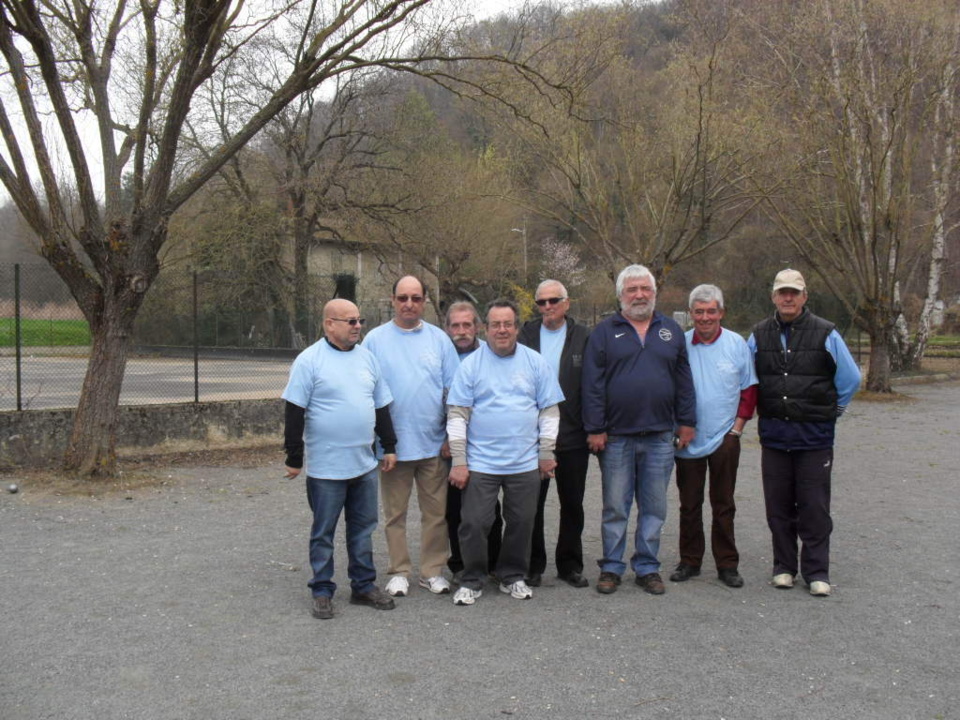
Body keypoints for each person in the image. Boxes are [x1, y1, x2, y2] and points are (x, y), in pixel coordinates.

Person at [582, 263, 697, 596]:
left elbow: (684, 380)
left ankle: (647, 566)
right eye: (632, 289)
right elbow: (592, 384)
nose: (639, 295)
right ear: (621, 295)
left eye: (645, 289)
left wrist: (687, 422)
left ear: (654, 293)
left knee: (654, 506)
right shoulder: (604, 332)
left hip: (661, 436)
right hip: (616, 436)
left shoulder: (671, 331)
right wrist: (595, 427)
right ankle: (612, 567)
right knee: (616, 506)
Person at [282, 299, 398, 619]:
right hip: (326, 468)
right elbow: (294, 410)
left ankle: (363, 585)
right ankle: (322, 588)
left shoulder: (368, 360)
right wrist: (294, 457)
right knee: (324, 531)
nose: (357, 326)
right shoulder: (309, 361)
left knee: (362, 529)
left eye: (359, 320)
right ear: (329, 324)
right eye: (350, 321)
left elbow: (381, 406)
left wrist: (389, 445)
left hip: (363, 464)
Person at [748, 269, 860, 597]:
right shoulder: (758, 334)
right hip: (775, 436)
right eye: (782, 292)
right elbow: (748, 376)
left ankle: (816, 571)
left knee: (814, 506)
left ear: (804, 297)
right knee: (778, 506)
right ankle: (783, 567)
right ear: (773, 296)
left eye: (794, 293)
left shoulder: (826, 332)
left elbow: (850, 378)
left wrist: (832, 411)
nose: (788, 298)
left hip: (814, 438)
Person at [446, 299, 565, 606]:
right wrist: (459, 461)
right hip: (481, 462)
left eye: (508, 324)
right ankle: (472, 578)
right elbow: (458, 414)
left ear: (516, 327)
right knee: (473, 522)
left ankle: (512, 575)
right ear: (485, 328)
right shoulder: (471, 365)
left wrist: (546, 452)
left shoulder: (535, 362)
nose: (502, 330)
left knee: (523, 521)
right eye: (495, 324)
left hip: (524, 462)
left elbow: (549, 411)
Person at [362, 276, 460, 597]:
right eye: (403, 297)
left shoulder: (440, 340)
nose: (409, 304)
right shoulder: (374, 341)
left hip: (433, 445)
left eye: (416, 298)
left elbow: (452, 392)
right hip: (392, 448)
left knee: (436, 514)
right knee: (395, 515)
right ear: (392, 300)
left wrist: (450, 437)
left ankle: (432, 571)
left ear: (424, 302)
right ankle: (400, 570)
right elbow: (366, 390)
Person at [672, 284, 758, 589]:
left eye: (711, 311)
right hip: (688, 437)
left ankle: (727, 564)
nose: (705, 318)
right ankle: (690, 560)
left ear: (721, 312)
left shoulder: (737, 344)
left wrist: (737, 430)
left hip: (725, 437)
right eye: (699, 312)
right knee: (689, 504)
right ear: (691, 314)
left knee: (723, 503)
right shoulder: (680, 345)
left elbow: (749, 390)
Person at [517, 280, 591, 588]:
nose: (548, 307)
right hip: (533, 435)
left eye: (554, 301)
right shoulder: (527, 335)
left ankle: (569, 564)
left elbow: (593, 384)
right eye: (542, 302)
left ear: (567, 303)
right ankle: (533, 565)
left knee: (572, 503)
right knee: (532, 504)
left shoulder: (584, 336)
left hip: (573, 433)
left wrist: (595, 427)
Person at [442, 301, 503, 581]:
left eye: (467, 325)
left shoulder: (492, 353)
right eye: (456, 325)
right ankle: (460, 564)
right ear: (447, 328)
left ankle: (493, 561)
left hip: (485, 445)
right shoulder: (443, 355)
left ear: (477, 327)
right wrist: (447, 439)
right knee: (455, 508)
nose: (462, 331)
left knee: (490, 508)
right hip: (450, 444)